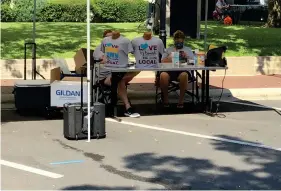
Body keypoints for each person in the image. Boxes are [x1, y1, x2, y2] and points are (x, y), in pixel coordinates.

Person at [99, 31, 140, 118]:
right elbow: (100, 61)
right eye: (108, 37)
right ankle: (127, 107)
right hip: (104, 76)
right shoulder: (100, 49)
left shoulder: (122, 45)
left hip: (118, 73)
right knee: (119, 81)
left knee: (133, 72)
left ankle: (119, 105)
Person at [160, 30, 194, 109]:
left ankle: (181, 100)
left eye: (180, 41)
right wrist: (170, 57)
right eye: (177, 41)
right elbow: (162, 61)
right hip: (170, 70)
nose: (178, 43)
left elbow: (193, 62)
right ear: (174, 40)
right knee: (163, 75)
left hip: (183, 70)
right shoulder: (169, 50)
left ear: (183, 41)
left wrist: (186, 58)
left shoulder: (187, 50)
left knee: (184, 75)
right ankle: (165, 99)